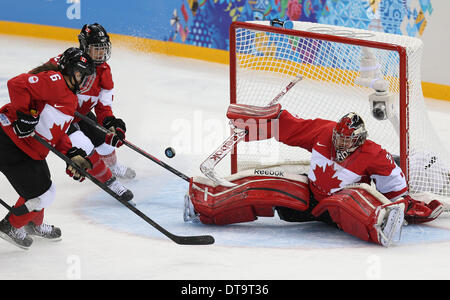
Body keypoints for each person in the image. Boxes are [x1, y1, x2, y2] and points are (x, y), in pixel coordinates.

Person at [184, 103, 444, 246]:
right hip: (308, 201)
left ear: (360, 139)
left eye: (347, 140)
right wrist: (263, 122)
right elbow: (292, 128)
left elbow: (395, 184)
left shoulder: (374, 153)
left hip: (339, 211)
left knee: (351, 198)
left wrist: (397, 205)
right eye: (338, 138)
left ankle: (381, 224)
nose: (340, 143)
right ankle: (205, 203)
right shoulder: (324, 131)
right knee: (266, 185)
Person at [0, 47, 95, 249]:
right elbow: (15, 84)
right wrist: (24, 115)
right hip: (10, 141)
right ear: (69, 70)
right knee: (40, 194)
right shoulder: (56, 81)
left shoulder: (69, 97)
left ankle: (33, 224)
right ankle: (10, 226)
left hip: (28, 147)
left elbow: (56, 131)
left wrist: (72, 153)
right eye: (80, 74)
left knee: (46, 189)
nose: (84, 80)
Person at [47, 23, 134, 202]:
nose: (101, 53)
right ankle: (110, 182)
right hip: (61, 117)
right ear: (84, 46)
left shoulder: (104, 71)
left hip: (82, 114)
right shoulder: (66, 62)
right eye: (96, 49)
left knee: (106, 144)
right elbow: (40, 82)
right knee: (85, 147)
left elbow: (103, 106)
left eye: (104, 48)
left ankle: (113, 166)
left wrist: (110, 123)